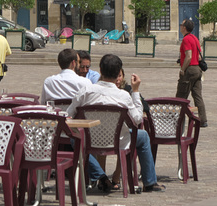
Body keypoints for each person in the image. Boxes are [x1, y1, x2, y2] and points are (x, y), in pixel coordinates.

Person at [66, 53, 164, 193]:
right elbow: (137, 120)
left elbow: (69, 114)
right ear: (119, 72)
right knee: (143, 137)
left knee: (75, 140)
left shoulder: (86, 91)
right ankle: (149, 182)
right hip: (119, 140)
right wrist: (135, 92)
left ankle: (101, 176)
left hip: (90, 139)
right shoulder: (123, 95)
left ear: (100, 70)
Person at [176, 19, 207, 127]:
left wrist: (182, 69)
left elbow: (188, 56)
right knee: (197, 95)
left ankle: (177, 120)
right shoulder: (195, 38)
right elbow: (198, 56)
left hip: (189, 69)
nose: (180, 27)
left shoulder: (186, 40)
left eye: (181, 25)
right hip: (197, 69)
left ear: (184, 28)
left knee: (181, 96)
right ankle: (203, 120)